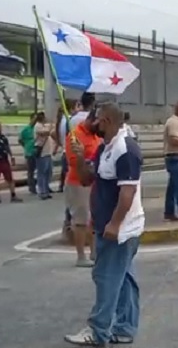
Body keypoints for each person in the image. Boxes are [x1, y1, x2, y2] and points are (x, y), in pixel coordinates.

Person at [64, 102, 143, 347]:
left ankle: (98, 331)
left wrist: (114, 224)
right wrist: (78, 160)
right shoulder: (105, 148)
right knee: (124, 278)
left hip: (119, 230)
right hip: (109, 225)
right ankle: (124, 328)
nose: (93, 123)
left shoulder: (125, 150)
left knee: (106, 276)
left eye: (97, 119)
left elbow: (127, 193)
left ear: (107, 121)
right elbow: (89, 179)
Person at [65, 110, 101, 267]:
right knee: (81, 220)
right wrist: (85, 159)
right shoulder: (75, 136)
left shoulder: (96, 136)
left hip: (93, 182)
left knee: (92, 219)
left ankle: (94, 251)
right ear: (91, 120)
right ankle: (81, 256)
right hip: (77, 183)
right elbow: (73, 162)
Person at [34, 111, 54, 200]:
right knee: (41, 172)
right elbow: (45, 133)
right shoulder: (38, 126)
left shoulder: (44, 125)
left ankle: (46, 189)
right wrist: (51, 126)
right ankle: (42, 191)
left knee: (48, 172)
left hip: (48, 152)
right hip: (42, 153)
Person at [19, 113, 38, 195]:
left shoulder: (37, 128)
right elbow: (20, 140)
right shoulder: (26, 130)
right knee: (30, 171)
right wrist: (26, 146)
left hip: (37, 151)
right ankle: (32, 187)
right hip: (29, 152)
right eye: (34, 119)